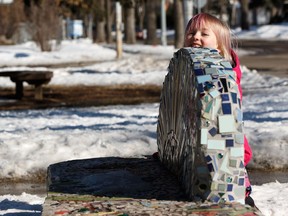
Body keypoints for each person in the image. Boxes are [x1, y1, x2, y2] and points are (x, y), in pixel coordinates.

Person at [184, 13, 255, 207]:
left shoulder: (224, 73)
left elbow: (226, 117)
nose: (196, 37)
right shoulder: (189, 68)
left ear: (219, 46)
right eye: (191, 32)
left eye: (204, 33)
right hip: (197, 140)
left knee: (225, 176)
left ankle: (242, 197)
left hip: (224, 142)